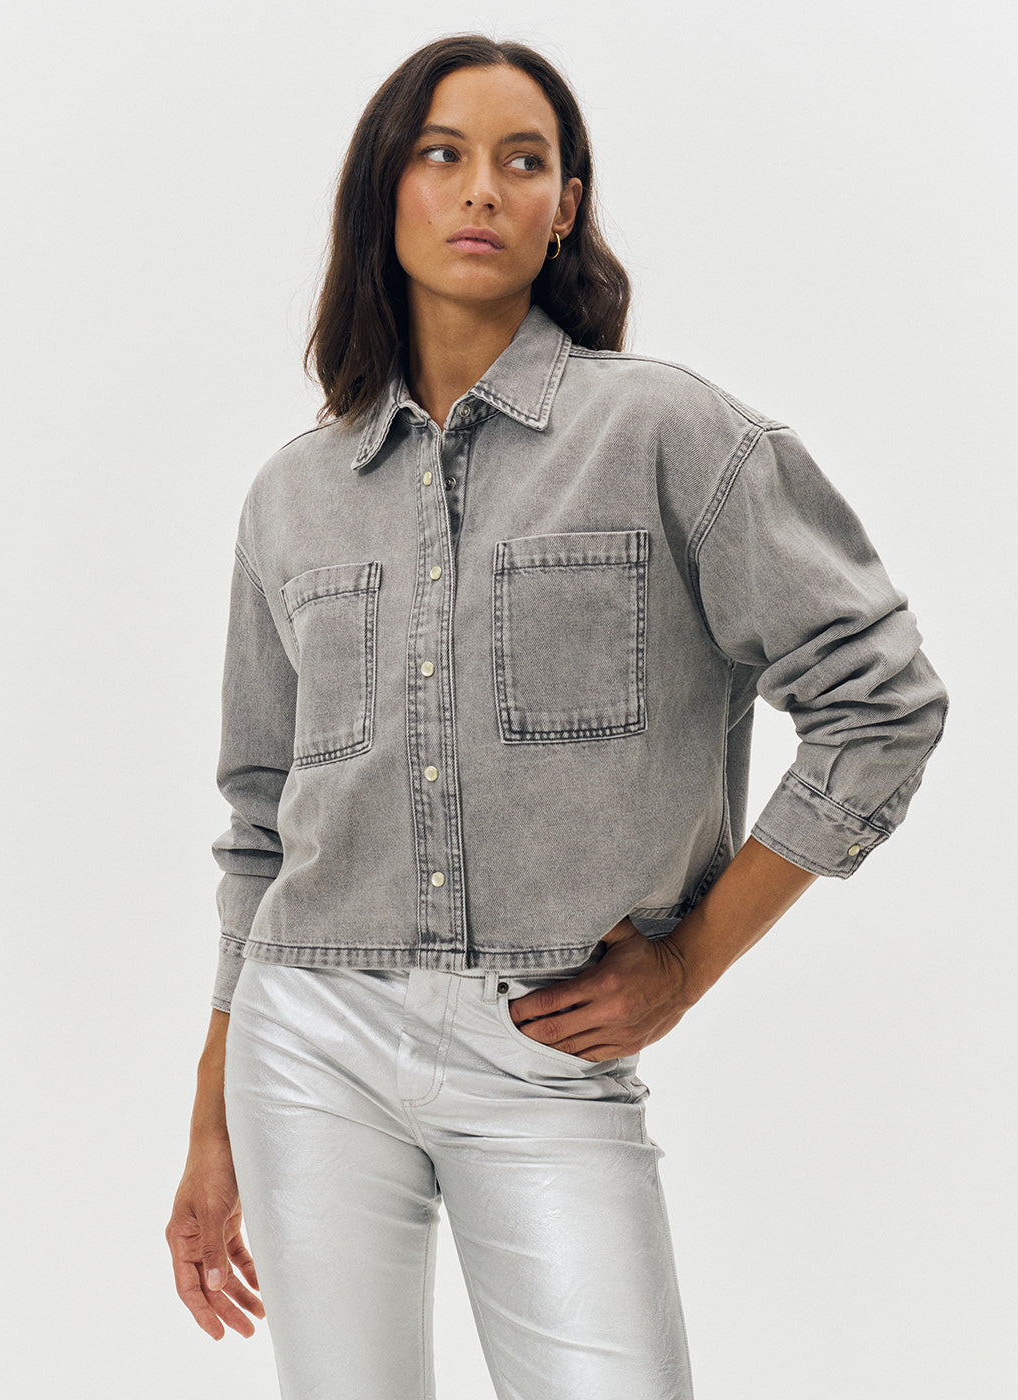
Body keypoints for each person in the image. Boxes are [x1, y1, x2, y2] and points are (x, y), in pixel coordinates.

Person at [165, 33, 949, 1400]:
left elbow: (882, 702)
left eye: (522, 161)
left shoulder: (669, 436)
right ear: (384, 194)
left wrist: (687, 964)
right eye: (443, 155)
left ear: (564, 208)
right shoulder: (292, 498)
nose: (483, 187)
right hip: (309, 1042)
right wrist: (210, 1118)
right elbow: (260, 825)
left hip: (548, 1049)